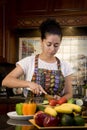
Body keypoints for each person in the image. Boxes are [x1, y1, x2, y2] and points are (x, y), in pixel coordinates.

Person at [2, 18, 73, 100]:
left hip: (55, 110)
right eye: (49, 44)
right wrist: (29, 84)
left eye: (56, 45)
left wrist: (61, 99)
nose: (52, 49)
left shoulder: (65, 66)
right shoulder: (29, 61)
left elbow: (69, 93)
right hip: (31, 111)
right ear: (41, 41)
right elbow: (6, 81)